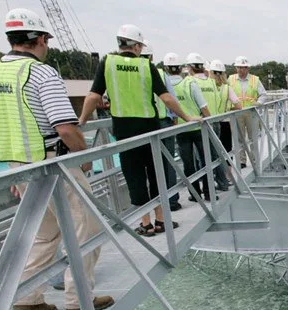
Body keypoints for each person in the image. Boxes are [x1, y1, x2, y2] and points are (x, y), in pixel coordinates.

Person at [0, 8, 113, 310]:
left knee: (44, 233)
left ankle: (27, 296)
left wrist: (17, 170)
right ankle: (79, 299)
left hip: (21, 166)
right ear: (40, 39)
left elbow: (1, 121)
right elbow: (65, 127)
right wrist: (83, 157)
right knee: (87, 228)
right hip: (54, 164)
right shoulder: (41, 72)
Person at [78, 24, 198, 237]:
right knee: (155, 174)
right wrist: (187, 117)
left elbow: (94, 96)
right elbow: (166, 97)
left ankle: (146, 223)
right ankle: (161, 220)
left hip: (125, 132)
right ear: (136, 46)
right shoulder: (146, 66)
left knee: (135, 177)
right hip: (150, 130)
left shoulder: (107, 63)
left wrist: (82, 121)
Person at [165, 53, 212, 202]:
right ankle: (209, 193)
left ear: (166, 68)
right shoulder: (190, 84)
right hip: (198, 128)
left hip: (180, 130)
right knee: (205, 161)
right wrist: (210, 123)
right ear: (181, 68)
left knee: (188, 164)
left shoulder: (164, 88)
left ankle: (195, 194)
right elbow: (203, 107)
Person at [140, 40, 181, 211]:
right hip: (163, 123)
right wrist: (177, 117)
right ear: (151, 57)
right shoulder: (160, 74)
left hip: (139, 126)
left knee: (145, 166)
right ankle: (171, 201)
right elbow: (170, 98)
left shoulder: (126, 73)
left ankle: (151, 206)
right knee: (167, 162)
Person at [186, 53, 228, 192]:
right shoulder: (211, 82)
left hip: (202, 123)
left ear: (189, 67)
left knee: (203, 158)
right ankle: (223, 182)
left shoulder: (190, 82)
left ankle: (208, 188)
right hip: (215, 121)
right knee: (216, 154)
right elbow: (218, 100)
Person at [227, 56, 267, 168]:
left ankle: (254, 159)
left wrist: (258, 103)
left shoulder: (255, 80)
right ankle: (242, 161)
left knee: (253, 137)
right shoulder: (230, 79)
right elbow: (225, 94)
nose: (240, 70)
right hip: (236, 112)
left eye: (243, 67)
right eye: (238, 67)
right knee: (239, 138)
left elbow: (263, 95)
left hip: (251, 112)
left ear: (247, 68)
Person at [209, 59, 242, 186]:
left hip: (210, 123)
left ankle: (214, 179)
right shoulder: (227, 88)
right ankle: (228, 177)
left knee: (212, 152)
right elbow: (238, 106)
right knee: (227, 150)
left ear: (211, 72)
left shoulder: (208, 87)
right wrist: (227, 110)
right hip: (224, 121)